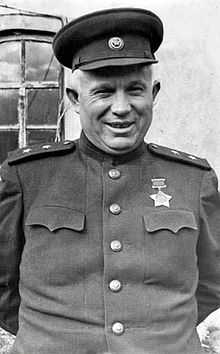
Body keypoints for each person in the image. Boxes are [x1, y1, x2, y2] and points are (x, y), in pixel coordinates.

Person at [0, 7, 219, 354]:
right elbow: (3, 286)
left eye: (134, 89)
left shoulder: (194, 181)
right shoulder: (28, 178)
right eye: (103, 92)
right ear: (75, 98)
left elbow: (211, 283)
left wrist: (158, 334)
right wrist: (51, 336)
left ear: (154, 93)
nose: (121, 107)